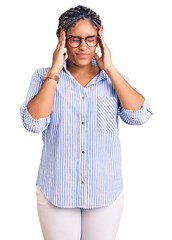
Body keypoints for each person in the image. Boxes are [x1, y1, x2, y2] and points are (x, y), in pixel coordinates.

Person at [19, 5, 153, 240]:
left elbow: (140, 115)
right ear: (62, 38)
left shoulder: (112, 78)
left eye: (91, 39)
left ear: (100, 40)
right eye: (75, 39)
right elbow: (34, 123)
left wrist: (109, 68)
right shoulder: (43, 76)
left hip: (104, 191)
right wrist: (55, 71)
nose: (83, 47)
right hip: (57, 190)